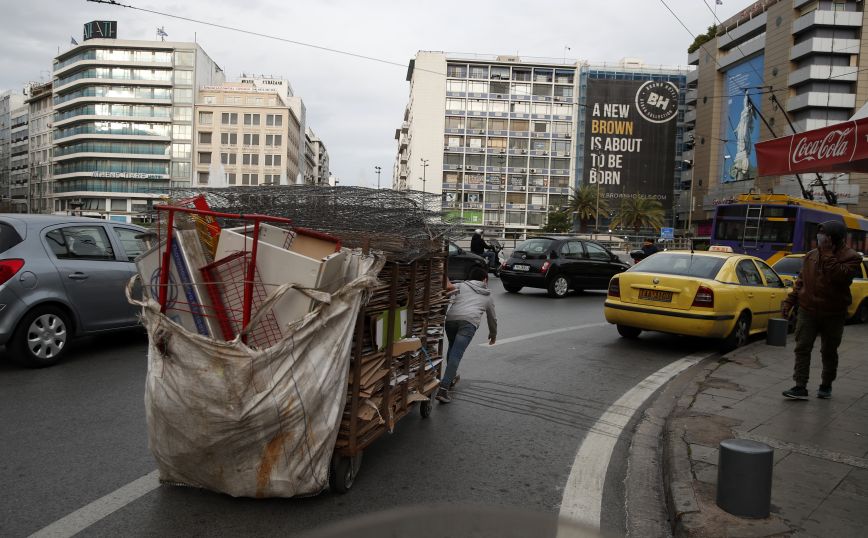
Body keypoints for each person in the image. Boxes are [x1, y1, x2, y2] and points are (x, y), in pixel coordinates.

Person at [781, 220, 862, 400]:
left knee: (829, 350)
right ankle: (800, 386)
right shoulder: (811, 256)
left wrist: (827, 253)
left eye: (824, 235)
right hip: (808, 310)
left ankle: (826, 384)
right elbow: (800, 282)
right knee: (802, 347)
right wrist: (789, 302)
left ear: (835, 238)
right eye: (819, 235)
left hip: (833, 313)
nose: (820, 238)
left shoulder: (852, 257)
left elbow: (839, 276)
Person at [436, 266, 497, 404]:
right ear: (485, 279)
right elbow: (492, 318)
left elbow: (446, 291)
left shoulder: (460, 286)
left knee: (452, 349)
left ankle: (450, 378)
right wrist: (493, 335)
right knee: (456, 355)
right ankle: (443, 389)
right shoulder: (488, 295)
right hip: (468, 324)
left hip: (451, 320)